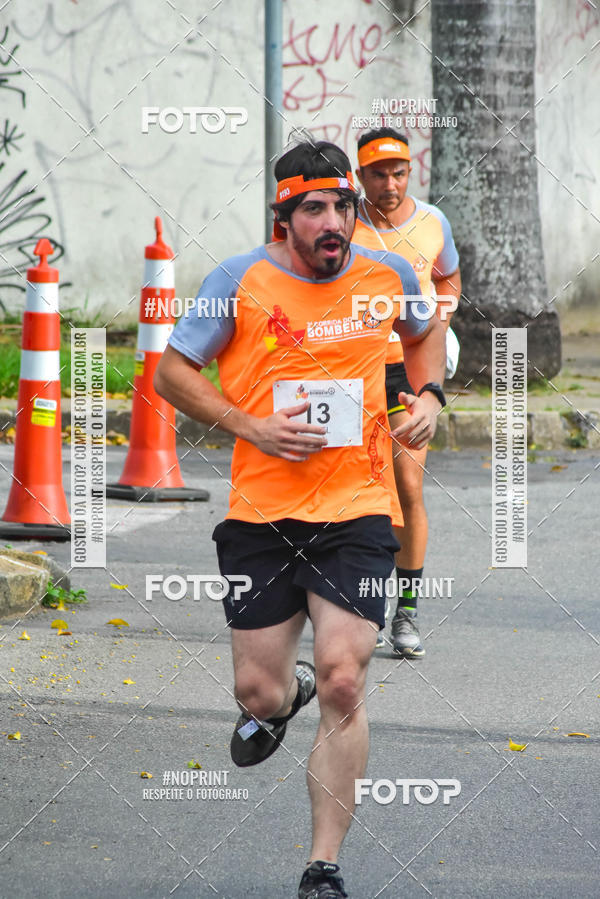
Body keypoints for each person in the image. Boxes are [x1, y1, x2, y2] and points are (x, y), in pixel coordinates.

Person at [154, 140, 446, 899]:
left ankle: (323, 866)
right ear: (282, 217)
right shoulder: (239, 281)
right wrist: (249, 425)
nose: (333, 222)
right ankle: (290, 695)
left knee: (350, 680)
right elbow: (171, 371)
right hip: (262, 515)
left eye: (342, 207)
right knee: (259, 691)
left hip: (357, 509)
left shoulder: (388, 274)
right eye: (313, 208)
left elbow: (426, 331)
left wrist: (430, 396)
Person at [353, 127, 461, 657]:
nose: (389, 183)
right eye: (378, 173)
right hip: (355, 368)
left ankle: (407, 613)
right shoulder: (344, 225)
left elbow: (449, 279)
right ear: (360, 176)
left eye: (398, 173)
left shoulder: (433, 221)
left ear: (409, 172)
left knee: (408, 486)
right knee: (359, 489)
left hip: (407, 376)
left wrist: (439, 325)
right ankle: (363, 608)